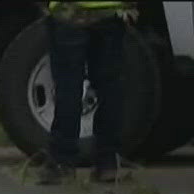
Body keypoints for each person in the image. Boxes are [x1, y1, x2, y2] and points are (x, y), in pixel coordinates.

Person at [41, 1, 137, 184]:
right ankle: (107, 162)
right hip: (110, 11)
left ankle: (62, 161)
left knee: (68, 86)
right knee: (110, 88)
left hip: (67, 12)